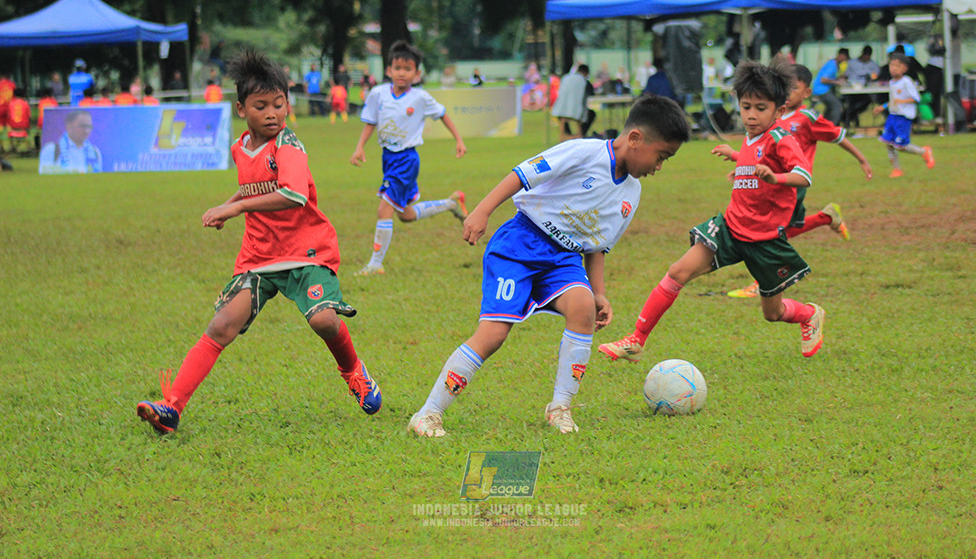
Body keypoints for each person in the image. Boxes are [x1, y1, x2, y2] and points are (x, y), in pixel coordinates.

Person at [407, 95, 692, 438]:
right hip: (520, 243)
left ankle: (560, 408)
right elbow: (522, 175)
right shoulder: (583, 152)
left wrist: (599, 293)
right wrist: (482, 210)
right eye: (661, 156)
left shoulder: (631, 193)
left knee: (583, 307)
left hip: (564, 258)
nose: (659, 167)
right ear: (635, 139)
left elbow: (597, 246)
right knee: (494, 334)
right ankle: (428, 413)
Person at [135, 49, 381, 435]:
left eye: (279, 104)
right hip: (260, 255)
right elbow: (253, 186)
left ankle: (353, 370)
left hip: (306, 251)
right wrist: (227, 205)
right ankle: (172, 408)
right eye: (261, 106)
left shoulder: (288, 145)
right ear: (241, 109)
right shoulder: (240, 148)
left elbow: (293, 194)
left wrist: (236, 209)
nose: (272, 114)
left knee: (324, 320)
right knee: (221, 326)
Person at [599, 58, 827, 364]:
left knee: (773, 313)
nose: (751, 115)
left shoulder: (781, 138)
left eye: (761, 108)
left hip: (765, 240)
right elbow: (755, 159)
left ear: (779, 110)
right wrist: (738, 158)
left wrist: (776, 178)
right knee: (677, 272)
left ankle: (809, 314)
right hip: (731, 228)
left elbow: (804, 175)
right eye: (746, 107)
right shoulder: (751, 137)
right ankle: (636, 340)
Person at [725, 64, 872, 299]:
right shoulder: (768, 116)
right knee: (777, 230)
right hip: (767, 183)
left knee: (772, 232)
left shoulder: (807, 118)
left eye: (794, 88)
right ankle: (826, 217)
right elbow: (762, 152)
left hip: (791, 184)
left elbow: (838, 136)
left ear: (807, 92)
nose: (788, 92)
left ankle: (761, 282)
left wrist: (862, 159)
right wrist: (743, 167)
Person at [350, 40, 468, 276]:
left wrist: (458, 139)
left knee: (384, 210)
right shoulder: (378, 94)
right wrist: (359, 147)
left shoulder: (420, 98)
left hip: (406, 161)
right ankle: (451, 204)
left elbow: (443, 114)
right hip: (388, 159)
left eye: (407, 69)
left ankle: (375, 264)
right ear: (388, 70)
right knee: (406, 215)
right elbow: (370, 122)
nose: (401, 73)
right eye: (397, 68)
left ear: (417, 74)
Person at [873, 53, 934, 178]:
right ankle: (897, 170)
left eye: (897, 66)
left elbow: (916, 98)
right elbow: (893, 100)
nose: (893, 68)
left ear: (905, 68)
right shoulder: (892, 82)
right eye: (892, 65)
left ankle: (924, 152)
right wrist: (883, 107)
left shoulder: (907, 82)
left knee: (901, 146)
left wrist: (903, 101)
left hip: (903, 118)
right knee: (889, 143)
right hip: (892, 116)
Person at [842, 45, 880, 130]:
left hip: (865, 90)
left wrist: (872, 77)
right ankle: (848, 118)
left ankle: (850, 115)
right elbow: (845, 75)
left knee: (866, 102)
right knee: (850, 103)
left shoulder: (873, 65)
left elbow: (875, 77)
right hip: (851, 90)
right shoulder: (852, 63)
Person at [551, 64, 590, 141]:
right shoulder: (582, 80)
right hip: (576, 108)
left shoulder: (566, 77)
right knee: (589, 114)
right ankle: (580, 134)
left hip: (561, 107)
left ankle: (566, 135)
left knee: (564, 118)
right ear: (586, 72)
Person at [811, 48, 849, 125]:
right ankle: (833, 126)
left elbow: (829, 78)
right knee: (837, 105)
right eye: (845, 57)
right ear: (841, 55)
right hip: (821, 90)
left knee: (831, 107)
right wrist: (836, 82)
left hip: (824, 90)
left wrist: (839, 78)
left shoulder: (834, 64)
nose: (845, 60)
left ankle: (825, 125)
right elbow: (823, 80)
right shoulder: (832, 65)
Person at [5, 87, 31, 153]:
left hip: (13, 127)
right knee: (28, 128)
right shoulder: (25, 103)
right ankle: (28, 147)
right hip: (23, 127)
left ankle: (12, 146)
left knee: (7, 126)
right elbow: (28, 116)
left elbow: (8, 115)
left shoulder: (11, 103)